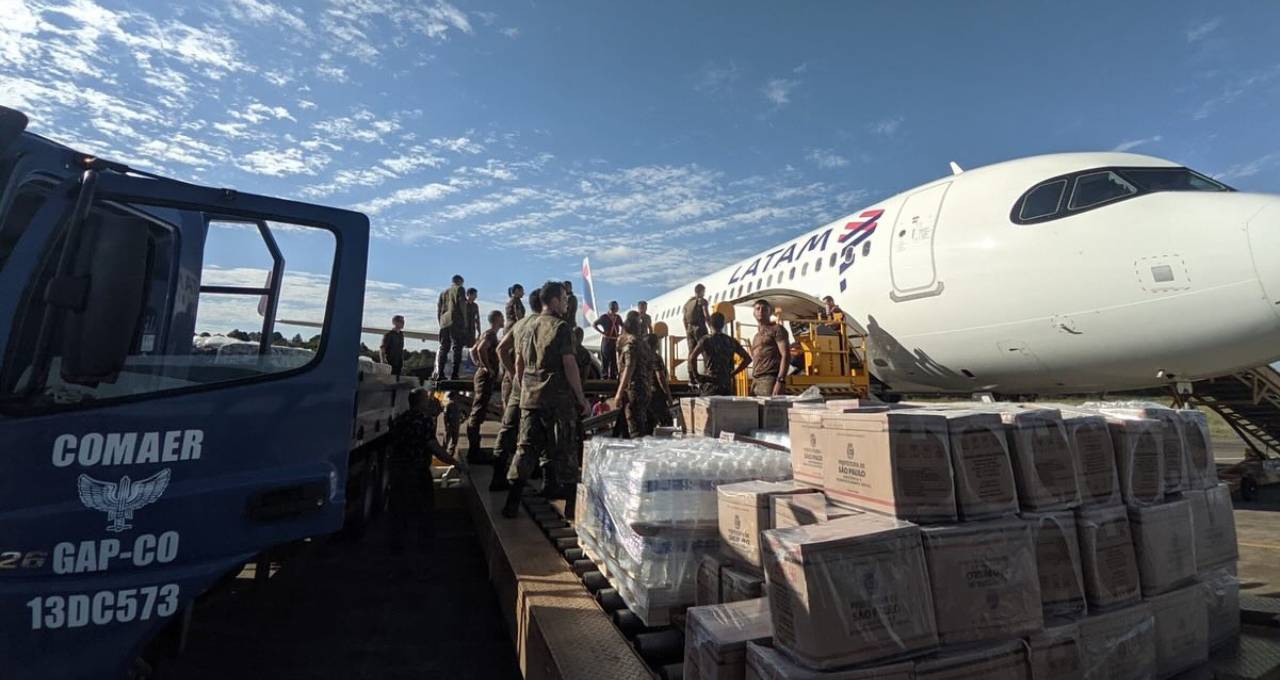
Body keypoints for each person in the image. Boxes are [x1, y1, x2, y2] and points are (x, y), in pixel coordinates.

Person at [504, 281, 590, 517]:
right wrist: (581, 397)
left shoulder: (525, 326)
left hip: (530, 399)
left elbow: (519, 363)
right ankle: (572, 509)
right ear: (553, 300)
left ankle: (512, 502)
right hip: (557, 399)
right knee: (566, 450)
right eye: (563, 299)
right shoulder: (561, 327)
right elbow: (569, 363)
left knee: (525, 449)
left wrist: (524, 386)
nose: (566, 304)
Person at [387, 388, 460, 553]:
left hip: (398, 470)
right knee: (423, 508)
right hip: (417, 471)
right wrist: (456, 463)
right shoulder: (424, 421)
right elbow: (434, 447)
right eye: (426, 399)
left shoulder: (400, 420)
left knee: (399, 509)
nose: (429, 402)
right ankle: (424, 544)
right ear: (420, 402)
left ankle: (396, 544)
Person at [492, 289, 542, 492]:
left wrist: (513, 373)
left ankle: (497, 476)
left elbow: (500, 349)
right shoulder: (545, 325)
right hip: (534, 387)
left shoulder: (520, 324)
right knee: (531, 434)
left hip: (516, 385)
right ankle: (525, 478)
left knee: (507, 428)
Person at [465, 310, 505, 464]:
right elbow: (481, 349)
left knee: (478, 411)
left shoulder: (486, 333)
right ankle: (474, 451)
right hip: (485, 377)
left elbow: (473, 351)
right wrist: (487, 367)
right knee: (477, 413)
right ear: (497, 319)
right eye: (502, 318)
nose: (504, 321)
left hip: (482, 375)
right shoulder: (490, 335)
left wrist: (479, 364)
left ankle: (474, 450)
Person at [613, 311, 656, 438]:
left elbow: (629, 367)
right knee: (640, 425)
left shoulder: (630, 343)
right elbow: (650, 367)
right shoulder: (644, 344)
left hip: (633, 389)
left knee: (635, 430)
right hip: (644, 389)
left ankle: (638, 454)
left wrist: (619, 393)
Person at [688, 312, 751, 396]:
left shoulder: (706, 340)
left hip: (710, 383)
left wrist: (696, 376)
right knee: (725, 408)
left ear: (710, 323)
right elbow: (748, 359)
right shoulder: (730, 341)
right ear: (723, 324)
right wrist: (733, 373)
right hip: (726, 384)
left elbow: (692, 357)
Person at [749, 299, 790, 396]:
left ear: (770, 312)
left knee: (768, 410)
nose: (760, 312)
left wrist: (780, 380)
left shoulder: (777, 329)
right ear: (754, 313)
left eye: (764, 309)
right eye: (757, 309)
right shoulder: (756, 336)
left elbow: (786, 355)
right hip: (756, 380)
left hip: (769, 379)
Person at [435, 274, 467, 380]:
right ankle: (454, 373)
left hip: (444, 322)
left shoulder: (443, 293)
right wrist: (465, 320)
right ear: (460, 281)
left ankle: (440, 373)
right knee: (457, 347)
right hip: (455, 320)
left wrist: (440, 322)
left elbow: (439, 309)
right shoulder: (460, 289)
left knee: (444, 348)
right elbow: (462, 304)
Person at [645, 333, 673, 429]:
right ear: (655, 344)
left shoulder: (642, 357)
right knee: (667, 422)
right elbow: (660, 377)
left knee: (649, 423)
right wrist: (668, 395)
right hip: (656, 394)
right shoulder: (655, 357)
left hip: (645, 393)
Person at [683, 284, 710, 374]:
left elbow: (684, 319)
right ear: (701, 291)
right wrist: (711, 327)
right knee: (706, 350)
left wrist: (688, 330)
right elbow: (706, 315)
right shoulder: (702, 301)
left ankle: (692, 374)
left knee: (691, 353)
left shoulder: (688, 303)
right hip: (700, 327)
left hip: (690, 329)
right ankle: (708, 371)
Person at [593, 301, 623, 379]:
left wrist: (621, 334)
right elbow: (594, 324)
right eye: (615, 307)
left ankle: (613, 376)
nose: (616, 308)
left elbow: (623, 326)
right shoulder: (604, 317)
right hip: (606, 341)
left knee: (614, 360)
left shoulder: (618, 317)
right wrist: (602, 332)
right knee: (605, 359)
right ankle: (604, 377)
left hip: (615, 341)